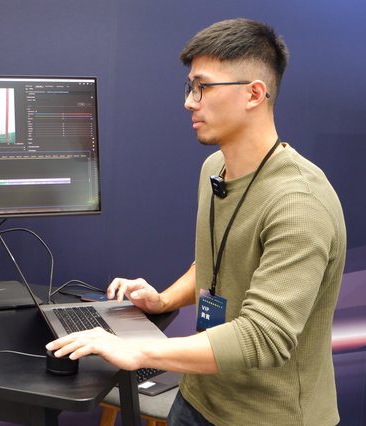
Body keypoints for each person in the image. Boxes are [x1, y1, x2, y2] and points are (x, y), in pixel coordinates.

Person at [46, 18, 346, 425]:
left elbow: (264, 337)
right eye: (190, 87)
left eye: (202, 87)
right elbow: (216, 264)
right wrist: (164, 300)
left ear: (254, 93)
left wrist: (140, 351)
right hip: (198, 398)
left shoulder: (300, 204)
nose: (190, 101)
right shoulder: (215, 168)